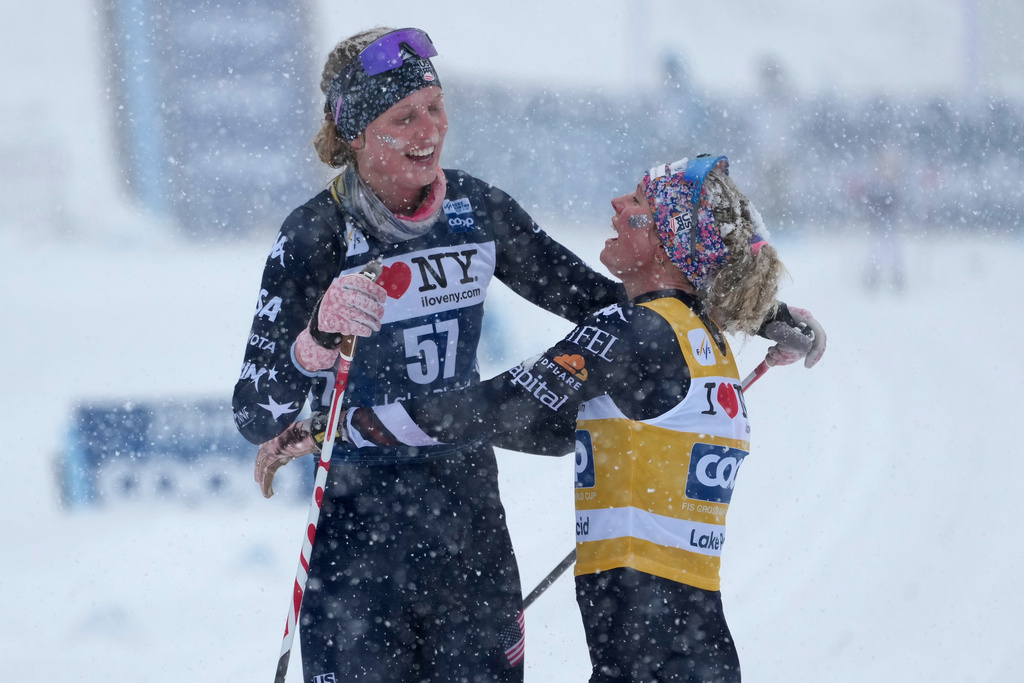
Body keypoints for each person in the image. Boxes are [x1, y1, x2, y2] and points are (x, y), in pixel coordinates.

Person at [235, 26, 825, 683]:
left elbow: (610, 301)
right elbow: (256, 410)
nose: (429, 129)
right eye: (404, 117)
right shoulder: (313, 234)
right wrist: (316, 337)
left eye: (435, 106)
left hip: (467, 532)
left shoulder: (475, 208)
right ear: (355, 134)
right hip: (357, 543)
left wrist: (757, 310)